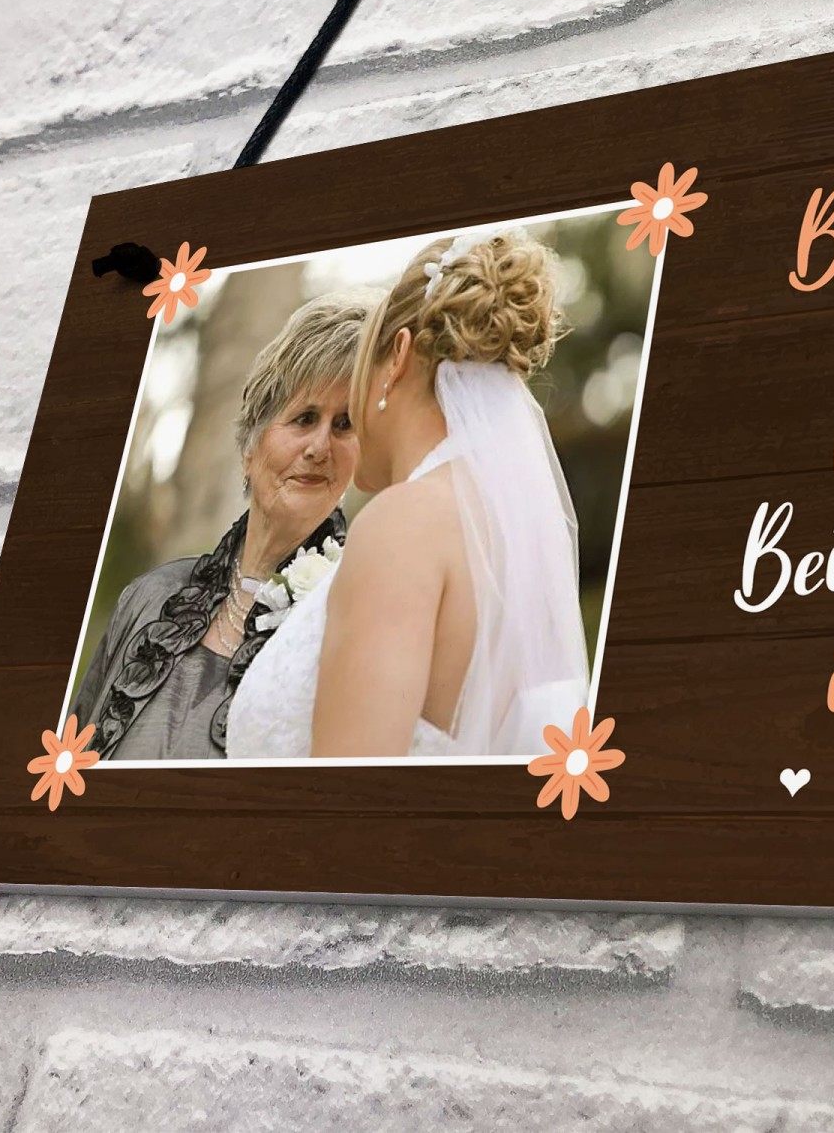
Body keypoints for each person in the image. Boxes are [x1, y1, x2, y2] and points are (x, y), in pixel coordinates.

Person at [226, 228, 590, 759]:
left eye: (346, 414)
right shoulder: (512, 532)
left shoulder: (404, 524)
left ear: (396, 356)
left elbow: (348, 787)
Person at [71, 293, 371, 759]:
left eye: (345, 424)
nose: (319, 447)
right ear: (250, 448)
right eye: (305, 418)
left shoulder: (351, 627)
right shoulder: (148, 599)